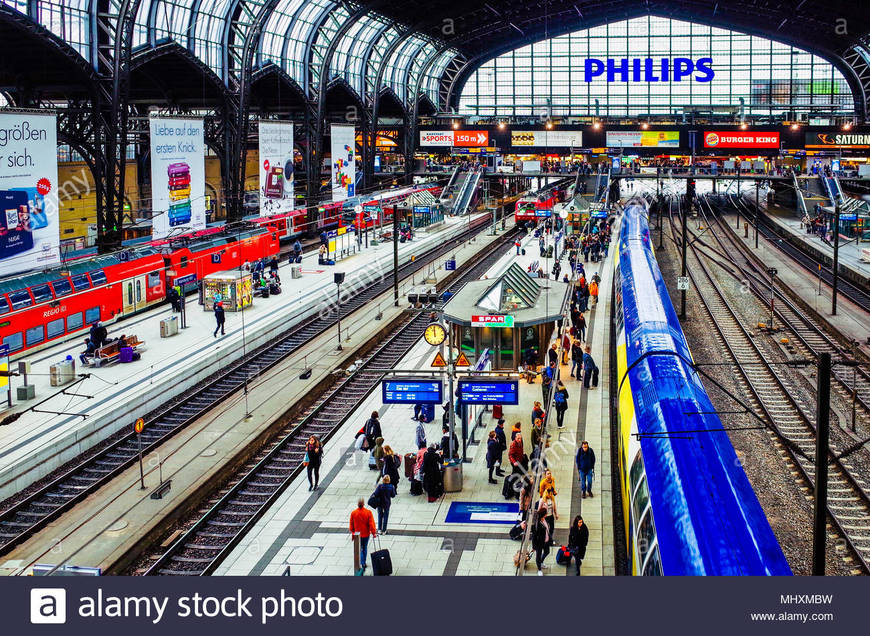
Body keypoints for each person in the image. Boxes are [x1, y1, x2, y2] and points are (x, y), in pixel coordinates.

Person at [349, 498, 377, 575]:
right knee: (364, 548)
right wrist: (374, 533)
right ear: (364, 504)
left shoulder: (353, 513)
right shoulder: (368, 512)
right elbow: (371, 524)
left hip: (357, 535)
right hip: (365, 534)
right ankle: (363, 562)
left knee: (360, 548)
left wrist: (353, 532)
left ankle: (362, 562)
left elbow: (351, 525)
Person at [531, 502, 551, 576]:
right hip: (539, 543)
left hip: (546, 540)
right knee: (538, 556)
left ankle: (541, 562)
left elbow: (547, 529)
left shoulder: (544, 520)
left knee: (547, 552)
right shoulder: (537, 524)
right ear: (544, 515)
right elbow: (534, 536)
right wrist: (534, 546)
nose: (547, 514)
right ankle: (539, 569)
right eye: (546, 513)